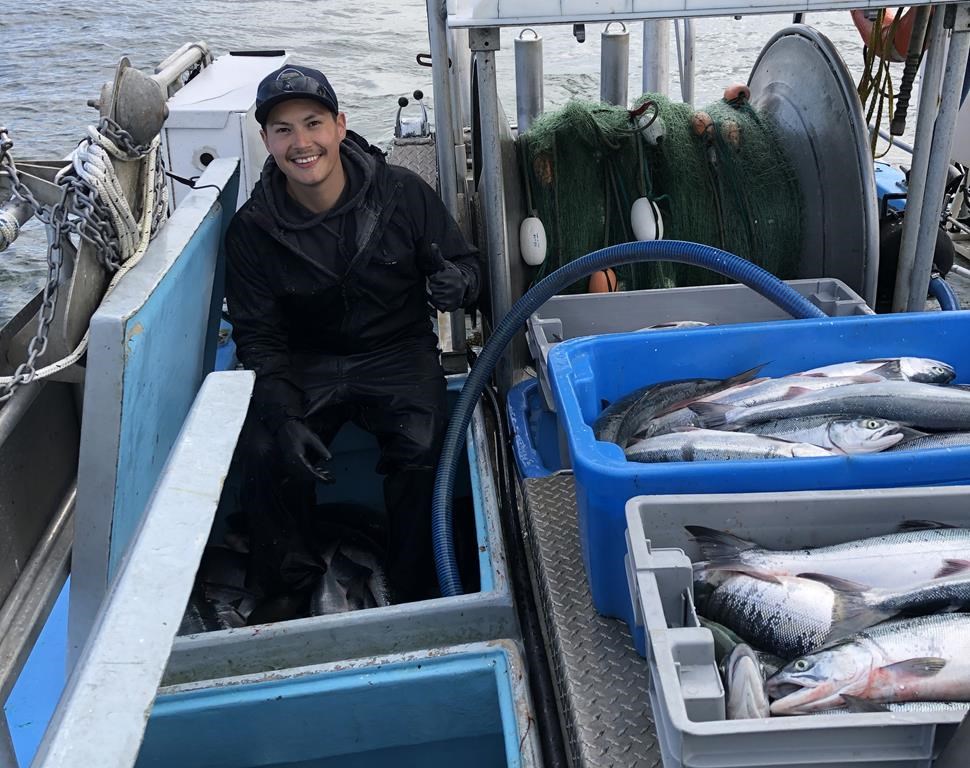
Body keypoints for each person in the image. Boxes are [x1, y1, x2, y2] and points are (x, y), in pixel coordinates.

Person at [224, 64, 481, 613]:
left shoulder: (403, 194)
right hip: (307, 361)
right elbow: (258, 336)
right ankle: (287, 595)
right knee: (266, 451)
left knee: (422, 447)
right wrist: (285, 415)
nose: (302, 143)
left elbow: (466, 265)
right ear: (266, 141)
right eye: (284, 129)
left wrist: (457, 283)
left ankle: (416, 588)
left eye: (313, 123)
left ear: (340, 126)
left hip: (397, 353)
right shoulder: (251, 230)